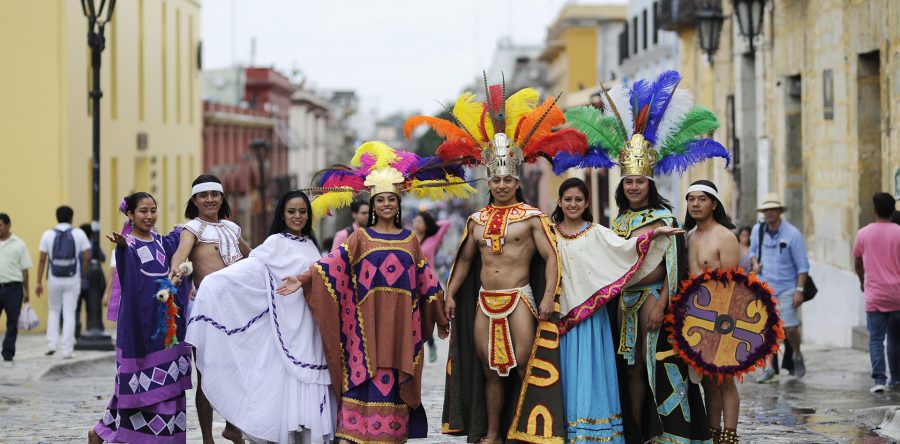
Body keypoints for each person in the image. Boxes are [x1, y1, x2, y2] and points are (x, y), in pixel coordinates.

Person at [277, 141, 461, 443]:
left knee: (395, 372)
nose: (386, 204)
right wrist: (302, 278)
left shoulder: (410, 240)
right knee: (368, 370)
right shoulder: (360, 238)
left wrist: (440, 313)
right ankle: (358, 429)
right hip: (366, 328)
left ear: (398, 203)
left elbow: (427, 280)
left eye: (391, 199)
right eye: (380, 200)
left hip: (401, 327)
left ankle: (392, 430)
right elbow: (330, 266)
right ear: (373, 205)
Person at [186, 190, 335, 443]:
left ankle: (309, 431)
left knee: (311, 376)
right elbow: (248, 270)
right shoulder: (275, 242)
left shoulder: (311, 244)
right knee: (286, 376)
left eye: (302, 212)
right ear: (282, 215)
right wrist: (212, 284)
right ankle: (287, 430)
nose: (297, 216)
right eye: (291, 212)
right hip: (284, 325)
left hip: (309, 323)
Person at [553, 178, 676, 443]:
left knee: (603, 369)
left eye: (578, 199)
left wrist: (651, 235)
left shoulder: (598, 231)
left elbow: (623, 249)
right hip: (562, 316)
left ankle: (603, 430)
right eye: (568, 199)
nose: (573, 204)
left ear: (586, 203)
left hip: (593, 315)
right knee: (569, 373)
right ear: (559, 202)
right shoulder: (549, 233)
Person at [89, 192, 193, 443]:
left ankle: (156, 437)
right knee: (136, 386)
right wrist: (123, 247)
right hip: (139, 328)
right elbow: (129, 274)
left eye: (153, 210)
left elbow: (177, 247)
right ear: (130, 215)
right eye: (143, 211)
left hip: (166, 327)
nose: (149, 216)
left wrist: (187, 228)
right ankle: (104, 432)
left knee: (168, 387)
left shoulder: (161, 241)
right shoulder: (129, 245)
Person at [170, 174, 252, 444]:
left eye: (214, 195)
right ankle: (207, 438)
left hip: (235, 307)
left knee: (237, 368)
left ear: (222, 198)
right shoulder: (192, 228)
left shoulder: (233, 228)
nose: (209, 200)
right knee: (206, 371)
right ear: (194, 200)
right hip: (206, 307)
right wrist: (177, 270)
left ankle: (232, 426)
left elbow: (253, 257)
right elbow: (181, 254)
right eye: (203, 196)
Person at [684, 180, 741, 443]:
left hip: (722, 317)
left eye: (702, 199)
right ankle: (712, 434)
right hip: (695, 318)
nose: (695, 204)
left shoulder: (725, 237)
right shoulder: (687, 237)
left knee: (725, 380)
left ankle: (729, 436)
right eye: (691, 199)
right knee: (707, 381)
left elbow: (736, 286)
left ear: (714, 204)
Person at [752, 192, 810, 383]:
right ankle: (769, 368)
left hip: (787, 287)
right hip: (764, 286)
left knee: (790, 328)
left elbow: (802, 266)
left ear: (779, 211)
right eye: (766, 210)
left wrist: (799, 291)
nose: (769, 213)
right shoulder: (757, 231)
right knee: (767, 328)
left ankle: (797, 354)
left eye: (773, 209)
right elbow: (753, 253)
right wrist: (754, 263)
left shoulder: (793, 234)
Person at [853, 192, 900, 394]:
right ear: (893, 210)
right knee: (896, 339)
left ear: (874, 210)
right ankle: (896, 379)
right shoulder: (899, 232)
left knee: (876, 339)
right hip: (897, 294)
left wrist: (862, 280)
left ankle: (879, 379)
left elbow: (857, 262)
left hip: (875, 294)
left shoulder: (863, 233)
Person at [35, 205, 91, 359]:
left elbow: (41, 259)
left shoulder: (47, 234)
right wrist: (82, 274)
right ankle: (67, 350)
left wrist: (38, 281)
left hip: (54, 278)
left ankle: (51, 344)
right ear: (71, 217)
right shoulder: (79, 233)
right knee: (69, 311)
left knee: (54, 310)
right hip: (72, 278)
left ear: (57, 217)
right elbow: (87, 256)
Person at [413, 211, 451, 363]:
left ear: (427, 224)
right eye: (415, 221)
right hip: (413, 282)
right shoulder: (411, 237)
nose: (416, 224)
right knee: (418, 315)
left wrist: (431, 225)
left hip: (430, 282)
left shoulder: (433, 238)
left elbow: (446, 223)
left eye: (420, 222)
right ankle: (424, 345)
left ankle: (432, 343)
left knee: (429, 315)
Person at [0, 213, 33, 366]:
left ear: (8, 225)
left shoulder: (19, 244)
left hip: (14, 288)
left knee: (12, 322)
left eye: (0, 225)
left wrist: (27, 291)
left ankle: (8, 352)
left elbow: (25, 270)